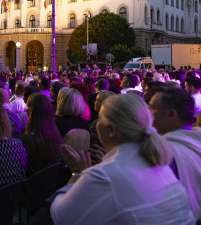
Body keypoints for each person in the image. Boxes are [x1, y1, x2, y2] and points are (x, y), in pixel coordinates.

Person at [50, 94, 195, 224]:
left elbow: (61, 216)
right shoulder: (156, 161)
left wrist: (77, 174)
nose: (96, 124)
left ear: (111, 130)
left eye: (99, 119)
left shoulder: (106, 174)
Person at [150, 88, 201, 219]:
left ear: (171, 114)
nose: (148, 113)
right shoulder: (196, 139)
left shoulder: (164, 152)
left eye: (152, 108)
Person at [20, 93, 62, 175]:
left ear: (32, 110)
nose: (25, 109)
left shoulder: (26, 141)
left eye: (27, 106)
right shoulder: (56, 136)